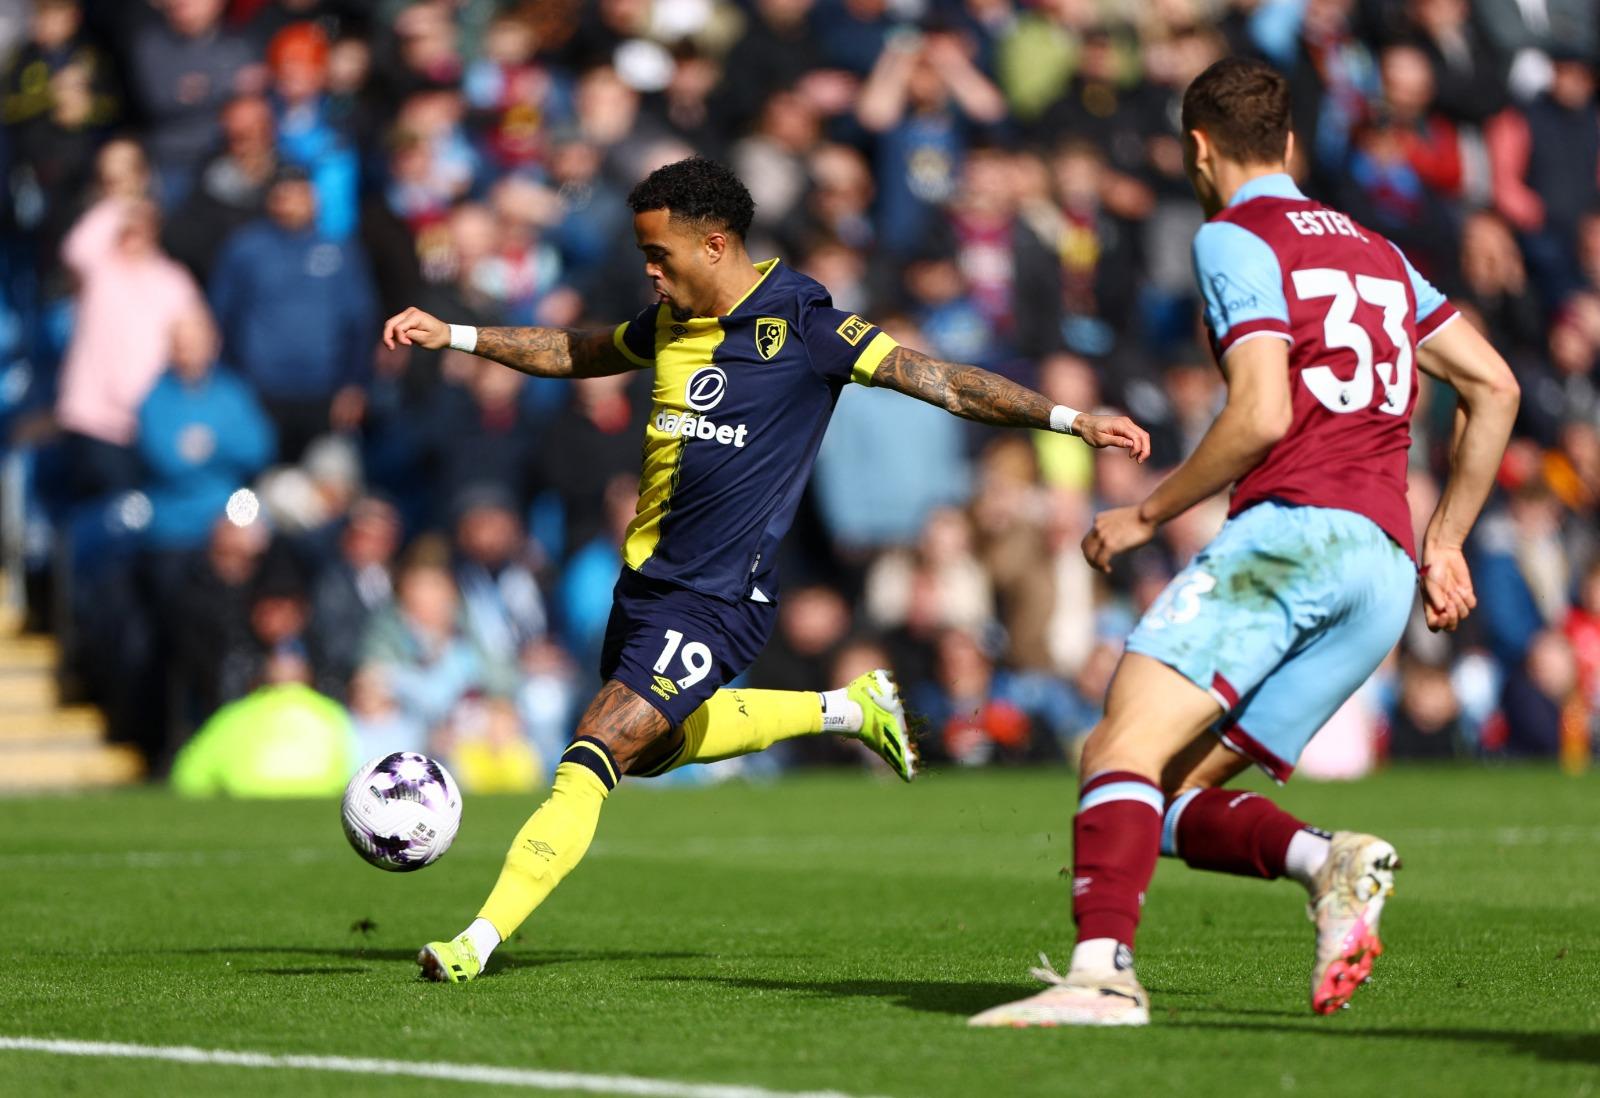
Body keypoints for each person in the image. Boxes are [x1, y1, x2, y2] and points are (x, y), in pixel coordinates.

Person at [382, 155, 1150, 983]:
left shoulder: (805, 326)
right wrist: (458, 334)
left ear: (714, 244)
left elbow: (942, 382)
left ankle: (476, 942)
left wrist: (1070, 420)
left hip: (718, 599)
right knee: (652, 751)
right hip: (645, 585)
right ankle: (847, 709)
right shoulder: (671, 319)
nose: (650, 271)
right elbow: (580, 350)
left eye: (660, 254)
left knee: (592, 753)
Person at [969, 58, 1520, 1028]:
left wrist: (1145, 513)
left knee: (1117, 746)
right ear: (1291, 143)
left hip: (1292, 539)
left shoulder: (1233, 235)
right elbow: (1495, 386)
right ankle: (1328, 862)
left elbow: (1260, 412)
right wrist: (1445, 542)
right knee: (1158, 794)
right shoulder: (1378, 251)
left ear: (1196, 148)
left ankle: (1101, 977)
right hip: (1381, 572)